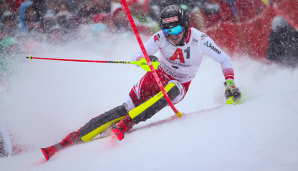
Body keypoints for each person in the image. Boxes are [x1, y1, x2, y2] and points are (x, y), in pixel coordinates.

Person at [41, 4, 241, 161]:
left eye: (178, 28)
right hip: (156, 76)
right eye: (168, 31)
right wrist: (146, 62)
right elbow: (139, 56)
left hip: (180, 84)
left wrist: (230, 83)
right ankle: (71, 139)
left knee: (170, 90)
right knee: (123, 108)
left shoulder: (199, 39)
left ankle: (128, 123)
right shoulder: (160, 37)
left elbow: (224, 59)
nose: (174, 34)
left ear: (185, 24)